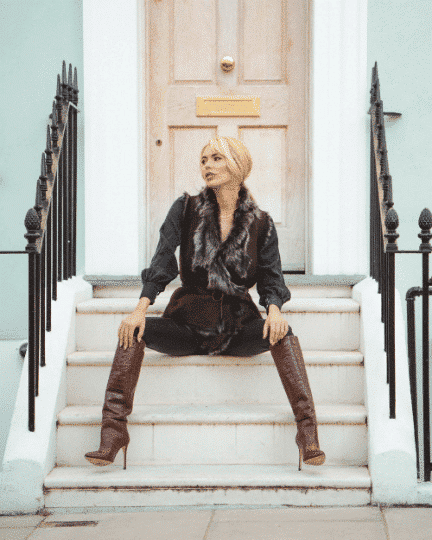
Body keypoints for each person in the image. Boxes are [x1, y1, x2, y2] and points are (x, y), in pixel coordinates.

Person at [85, 136, 325, 471]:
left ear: (237, 165)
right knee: (133, 332)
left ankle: (308, 433)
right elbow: (163, 259)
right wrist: (140, 309)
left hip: (237, 327)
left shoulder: (261, 222)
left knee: (283, 333)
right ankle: (113, 433)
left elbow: (271, 277)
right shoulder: (186, 208)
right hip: (187, 324)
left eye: (216, 158)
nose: (206, 166)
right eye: (203, 160)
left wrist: (274, 311)